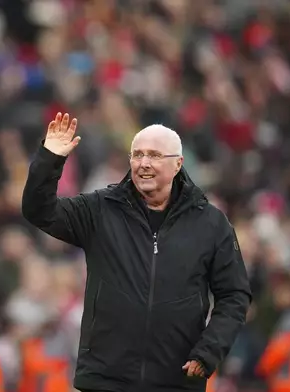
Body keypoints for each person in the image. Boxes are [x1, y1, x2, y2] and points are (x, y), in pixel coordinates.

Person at [21, 113, 252, 392]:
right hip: (106, 380)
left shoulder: (211, 224)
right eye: (137, 155)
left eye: (154, 155)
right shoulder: (100, 209)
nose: (143, 163)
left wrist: (208, 352)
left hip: (176, 381)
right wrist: (49, 159)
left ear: (178, 164)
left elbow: (234, 294)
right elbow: (39, 211)